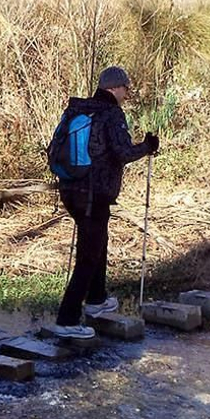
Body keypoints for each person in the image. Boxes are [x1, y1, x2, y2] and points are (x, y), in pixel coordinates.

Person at [49, 66, 158, 340]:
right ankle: (67, 318)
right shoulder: (111, 113)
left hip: (70, 189)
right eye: (125, 89)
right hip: (93, 194)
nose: (126, 94)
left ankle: (97, 300)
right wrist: (148, 146)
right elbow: (122, 152)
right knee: (88, 254)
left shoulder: (76, 110)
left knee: (98, 242)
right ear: (114, 88)